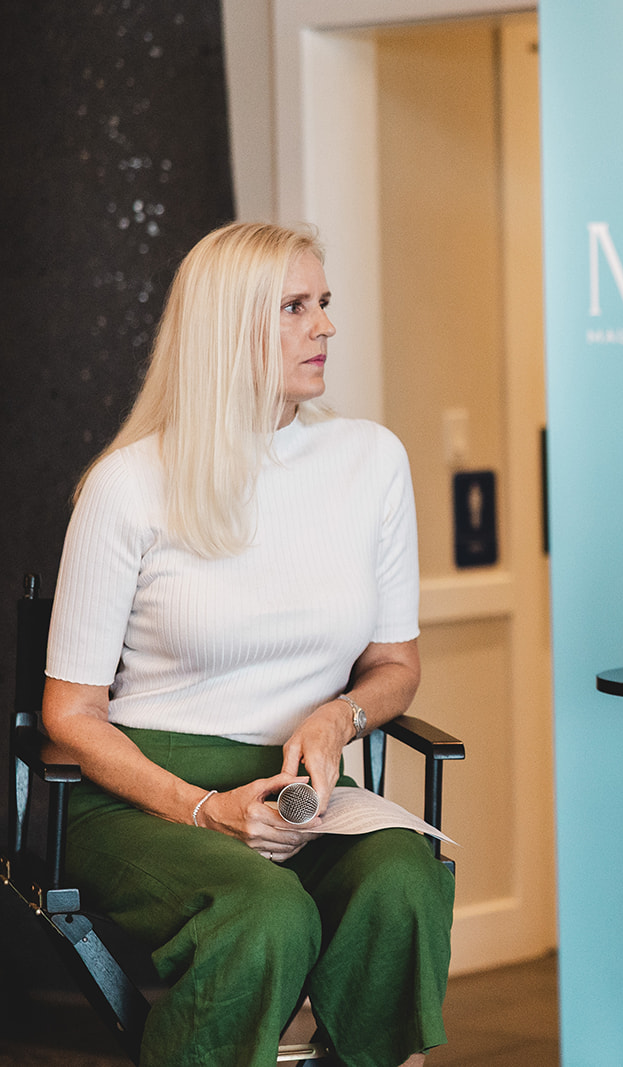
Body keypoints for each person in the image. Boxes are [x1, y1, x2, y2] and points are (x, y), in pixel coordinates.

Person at [41, 221, 453, 1067]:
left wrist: (338, 717)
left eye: (323, 302)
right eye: (294, 307)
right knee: (265, 913)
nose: (326, 326)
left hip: (302, 789)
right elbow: (70, 714)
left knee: (404, 878)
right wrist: (204, 808)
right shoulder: (128, 485)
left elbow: (396, 664)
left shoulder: (371, 460)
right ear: (227, 326)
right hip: (141, 792)